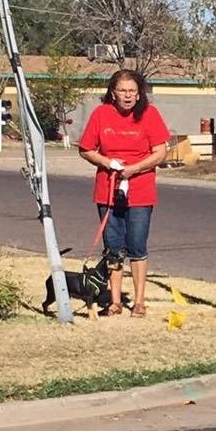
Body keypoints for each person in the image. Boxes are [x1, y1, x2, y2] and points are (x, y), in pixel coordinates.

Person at [77, 69, 170, 318]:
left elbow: (160, 152)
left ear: (139, 94)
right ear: (113, 92)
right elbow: (86, 149)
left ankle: (139, 301)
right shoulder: (101, 114)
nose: (127, 96)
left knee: (137, 245)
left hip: (140, 190)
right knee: (113, 247)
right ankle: (115, 301)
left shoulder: (150, 115)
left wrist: (134, 169)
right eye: (122, 90)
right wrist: (109, 164)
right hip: (107, 190)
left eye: (132, 91)